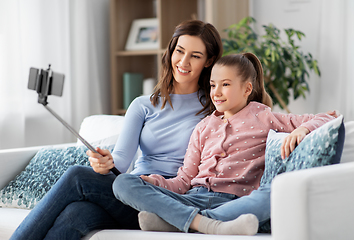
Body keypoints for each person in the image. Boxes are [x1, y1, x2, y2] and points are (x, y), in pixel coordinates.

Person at [10, 20, 223, 240]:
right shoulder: (143, 105)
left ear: (208, 61)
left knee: (77, 176)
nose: (184, 61)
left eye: (195, 56)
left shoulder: (215, 107)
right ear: (171, 51)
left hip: (170, 201)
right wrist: (105, 163)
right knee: (76, 215)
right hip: (131, 192)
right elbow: (121, 161)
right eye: (180, 51)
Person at [113, 53, 335, 235]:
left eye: (225, 85)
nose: (216, 93)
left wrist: (303, 129)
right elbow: (183, 181)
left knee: (274, 193)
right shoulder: (202, 127)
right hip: (191, 199)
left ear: (247, 89)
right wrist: (156, 182)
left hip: (234, 201)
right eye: (212, 85)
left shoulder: (263, 116)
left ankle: (180, 223)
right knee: (122, 183)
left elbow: (330, 116)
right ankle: (209, 225)